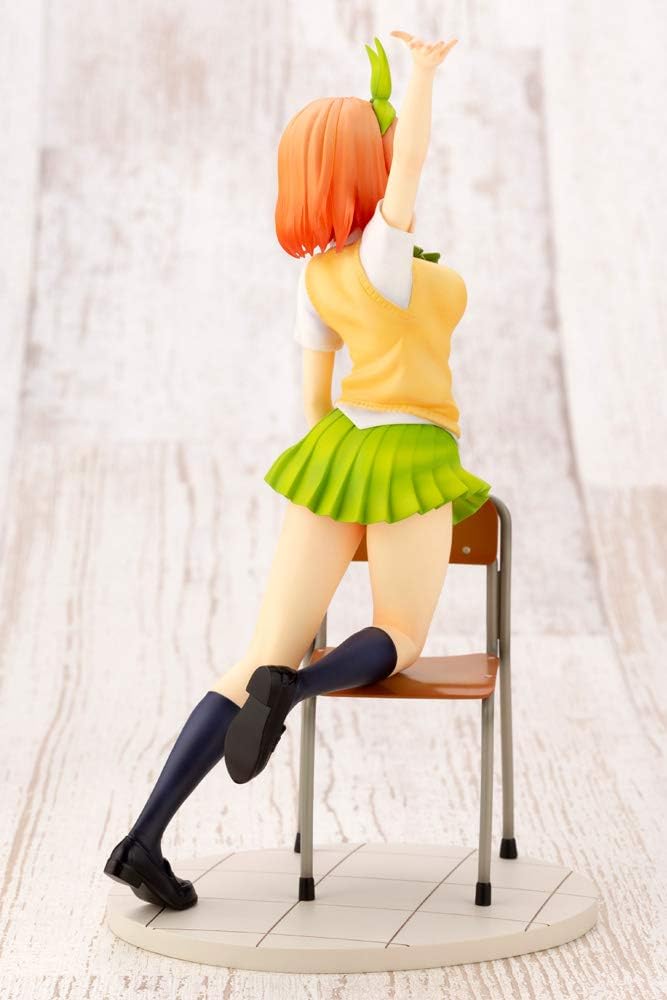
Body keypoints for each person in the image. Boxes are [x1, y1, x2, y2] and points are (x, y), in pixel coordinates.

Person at [104, 30, 491, 911]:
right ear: (368, 167)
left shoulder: (316, 279)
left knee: (254, 653)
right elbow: (413, 163)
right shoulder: (387, 255)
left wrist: (336, 490)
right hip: (410, 451)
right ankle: (298, 688)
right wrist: (422, 78)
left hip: (331, 455)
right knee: (399, 634)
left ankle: (143, 837)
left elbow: (314, 403)